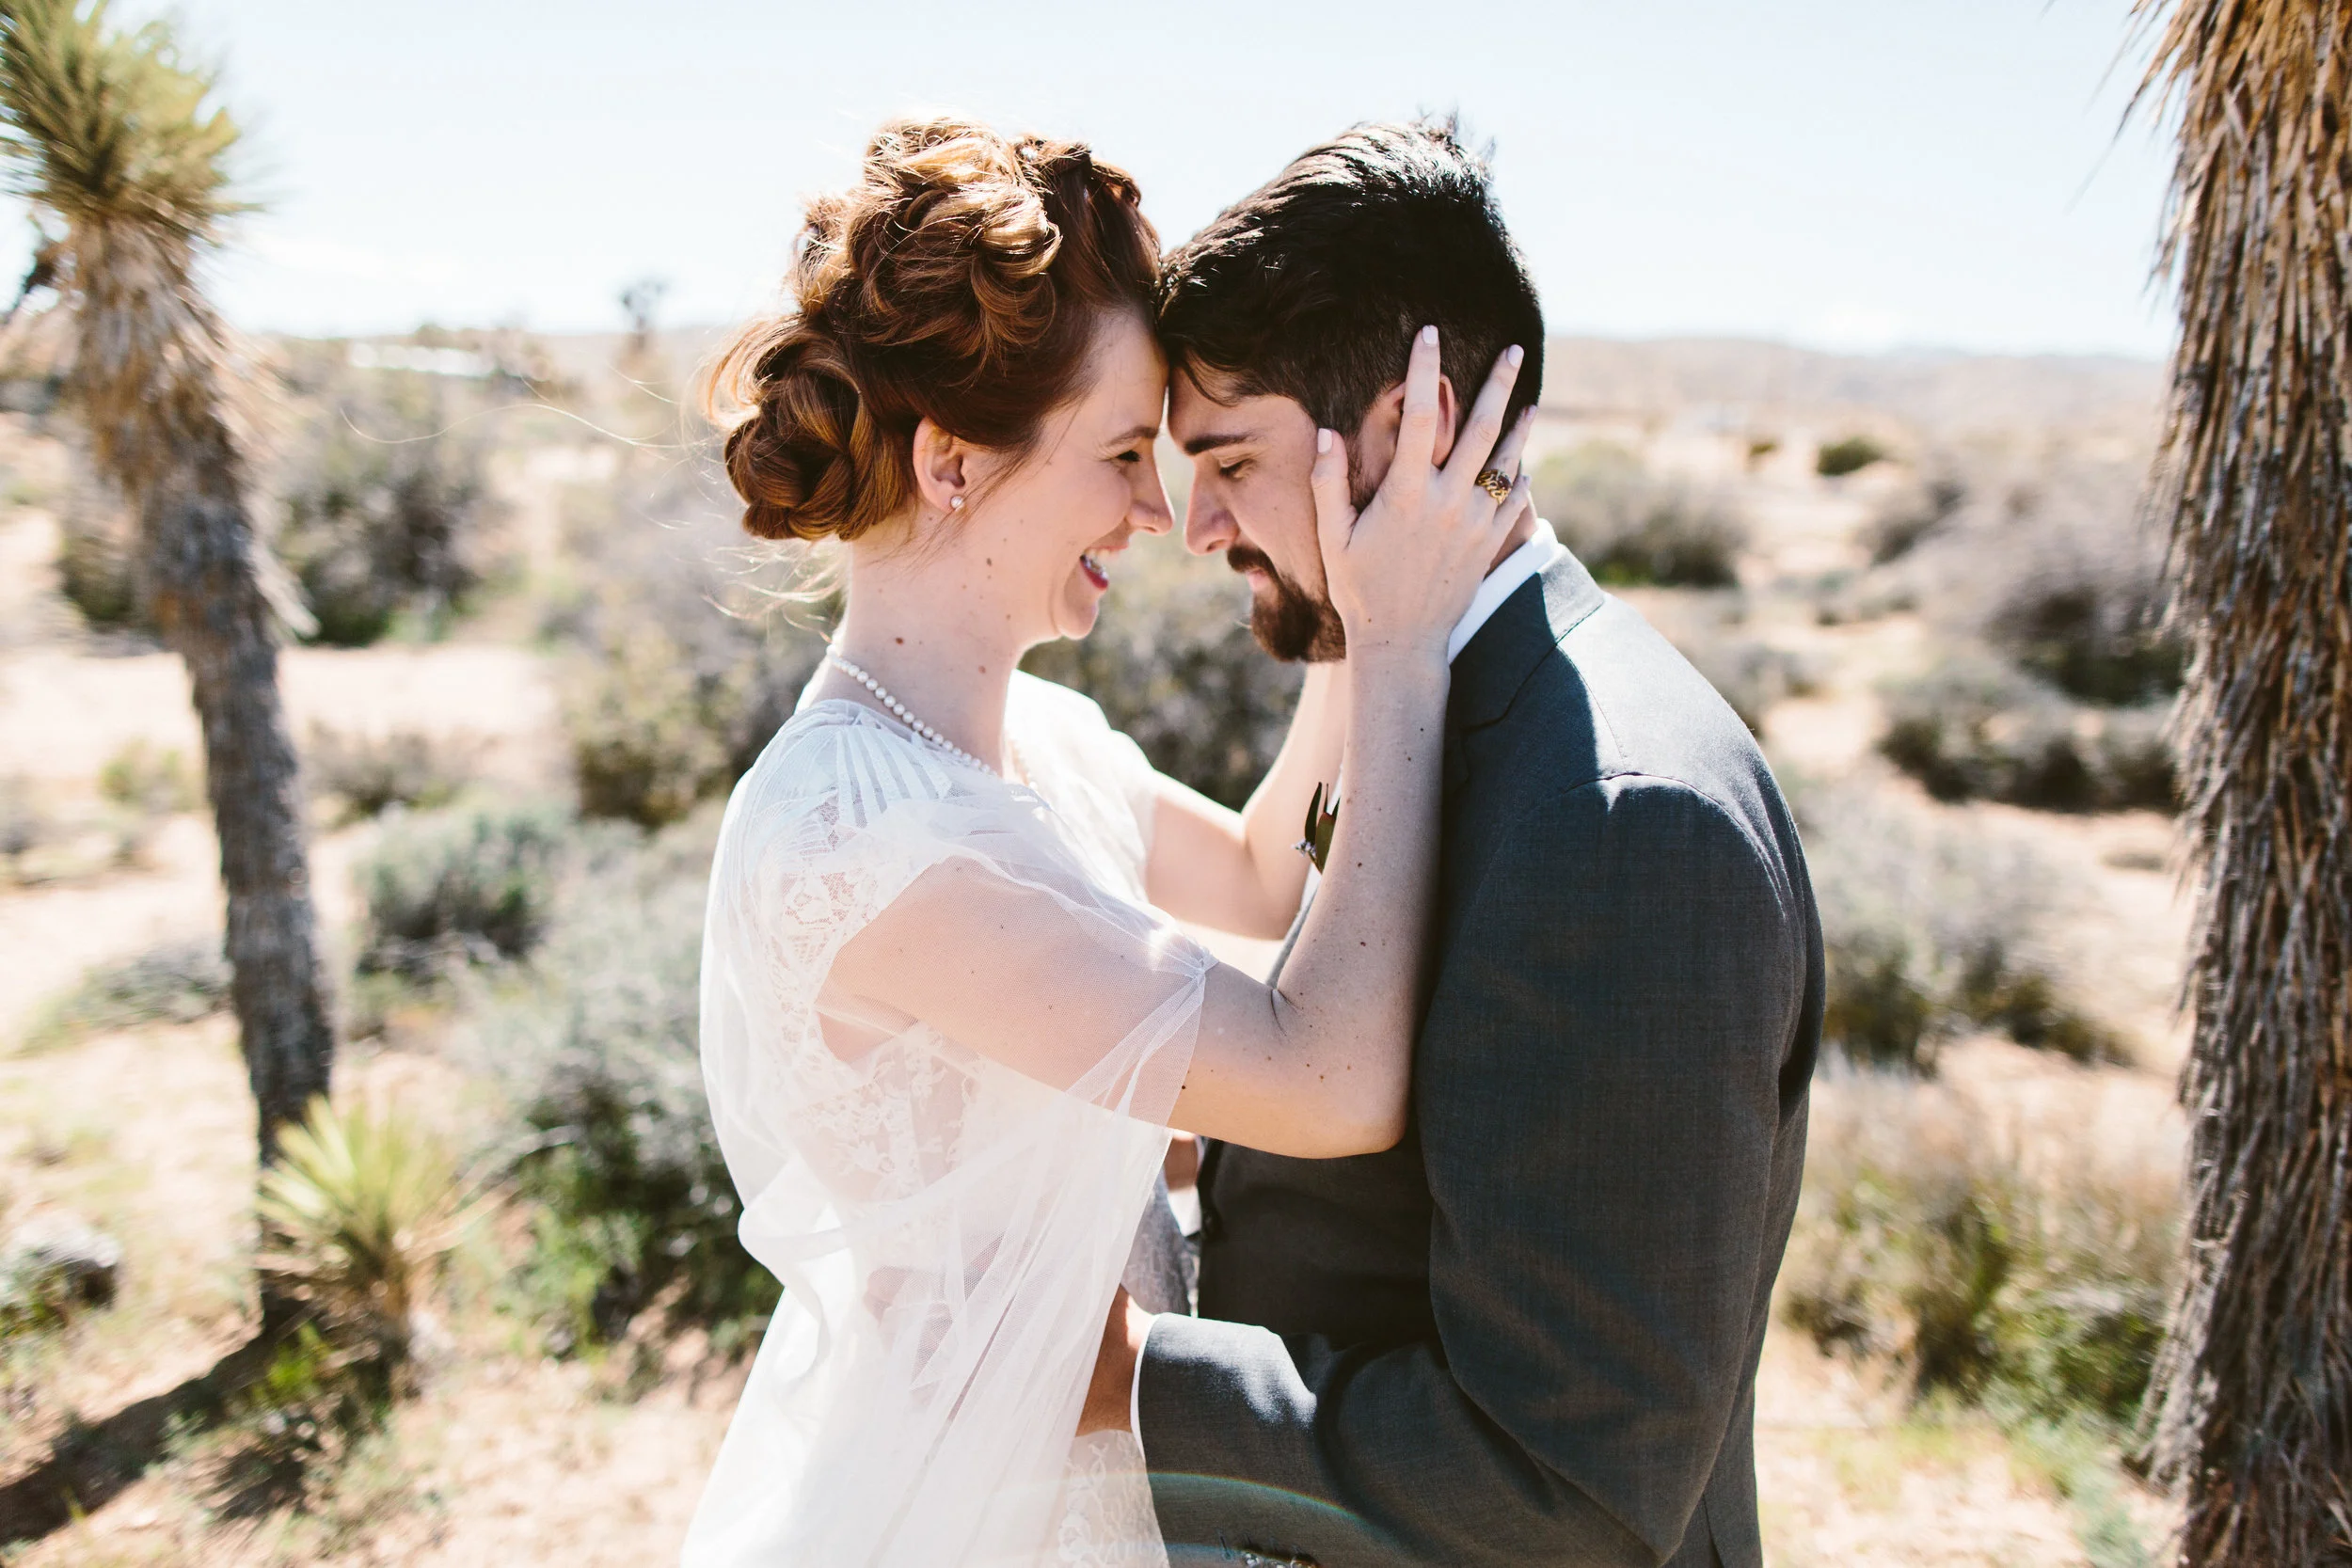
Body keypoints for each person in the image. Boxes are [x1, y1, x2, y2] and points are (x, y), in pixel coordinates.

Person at [684, 117, 1533, 1568]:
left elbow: (1268, 881)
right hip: (988, 1514)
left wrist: (1345, 578)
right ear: (952, 463)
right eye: (1126, 454)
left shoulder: (1040, 747)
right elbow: (1324, 1082)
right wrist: (1399, 647)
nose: (1160, 509)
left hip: (1117, 1468)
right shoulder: (869, 844)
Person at [1080, 119, 1823, 1568]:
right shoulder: (1445, 706)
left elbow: (1572, 1487)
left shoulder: (1623, 819)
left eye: (1227, 457)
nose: (1198, 522)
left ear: (1414, 425)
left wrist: (1134, 1380)